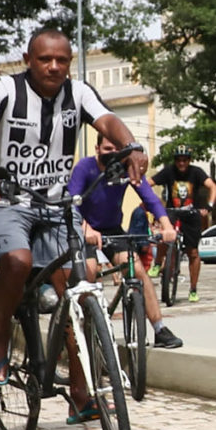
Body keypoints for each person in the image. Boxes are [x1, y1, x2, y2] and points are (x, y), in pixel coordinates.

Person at [0, 28, 147, 412]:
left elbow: (109, 120)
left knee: (79, 287)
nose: (54, 66)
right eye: (45, 59)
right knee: (18, 261)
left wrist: (132, 147)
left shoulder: (77, 93)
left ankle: (81, 394)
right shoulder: (3, 90)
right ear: (29, 60)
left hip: (57, 205)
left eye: (62, 59)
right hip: (7, 201)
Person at [70, 128, 185, 350]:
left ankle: (160, 328)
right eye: (107, 149)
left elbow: (150, 199)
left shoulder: (126, 168)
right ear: (97, 149)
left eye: (117, 150)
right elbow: (72, 204)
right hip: (85, 228)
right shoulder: (85, 167)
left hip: (113, 228)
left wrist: (167, 226)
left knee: (137, 270)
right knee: (90, 270)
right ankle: (89, 329)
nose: (112, 154)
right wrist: (87, 229)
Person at [151, 146, 216, 302]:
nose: (181, 163)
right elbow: (148, 183)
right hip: (172, 211)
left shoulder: (196, 172)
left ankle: (193, 289)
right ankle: (157, 263)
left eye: (185, 160)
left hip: (191, 213)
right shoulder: (168, 171)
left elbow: (213, 187)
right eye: (178, 160)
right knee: (164, 236)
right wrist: (152, 203)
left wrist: (209, 207)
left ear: (189, 160)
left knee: (193, 253)